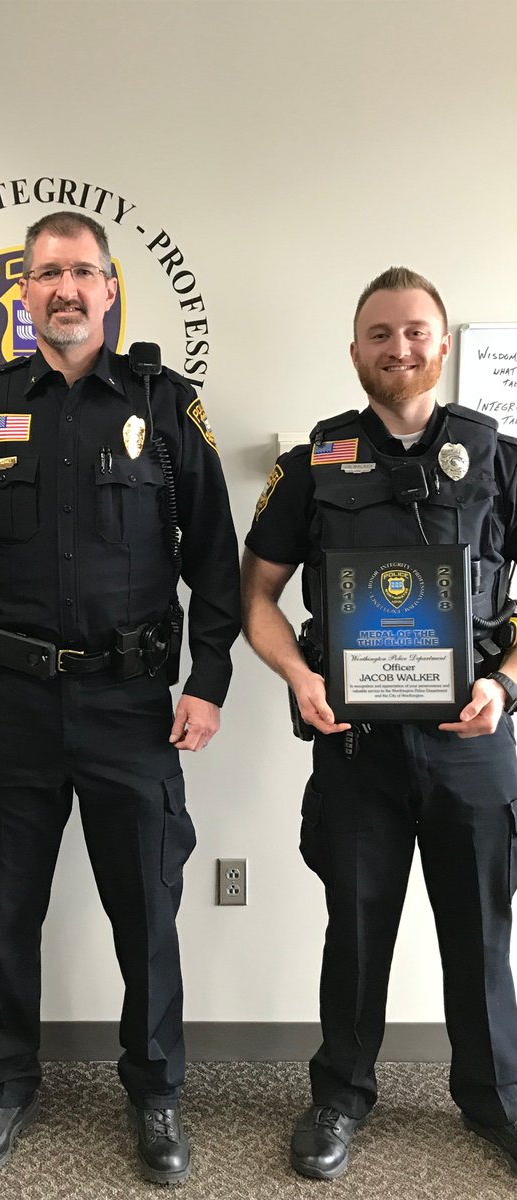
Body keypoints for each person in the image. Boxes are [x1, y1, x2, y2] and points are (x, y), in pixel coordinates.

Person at [0, 211, 240, 1185]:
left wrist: (210, 682)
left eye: (82, 273)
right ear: (23, 292)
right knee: (8, 910)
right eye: (46, 273)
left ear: (109, 291)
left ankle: (157, 1095)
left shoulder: (163, 406)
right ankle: (5, 1087)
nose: (65, 289)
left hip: (132, 705)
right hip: (10, 704)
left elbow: (216, 562)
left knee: (147, 913)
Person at [242, 267, 517, 1180]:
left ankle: (496, 1097)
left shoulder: (500, 456)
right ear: (354, 350)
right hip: (354, 741)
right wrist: (296, 674)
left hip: (470, 742)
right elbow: (260, 596)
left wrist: (506, 686)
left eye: (414, 332)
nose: (398, 348)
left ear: (441, 344)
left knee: (478, 929)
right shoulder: (315, 462)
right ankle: (340, 1097)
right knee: (355, 926)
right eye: (379, 334)